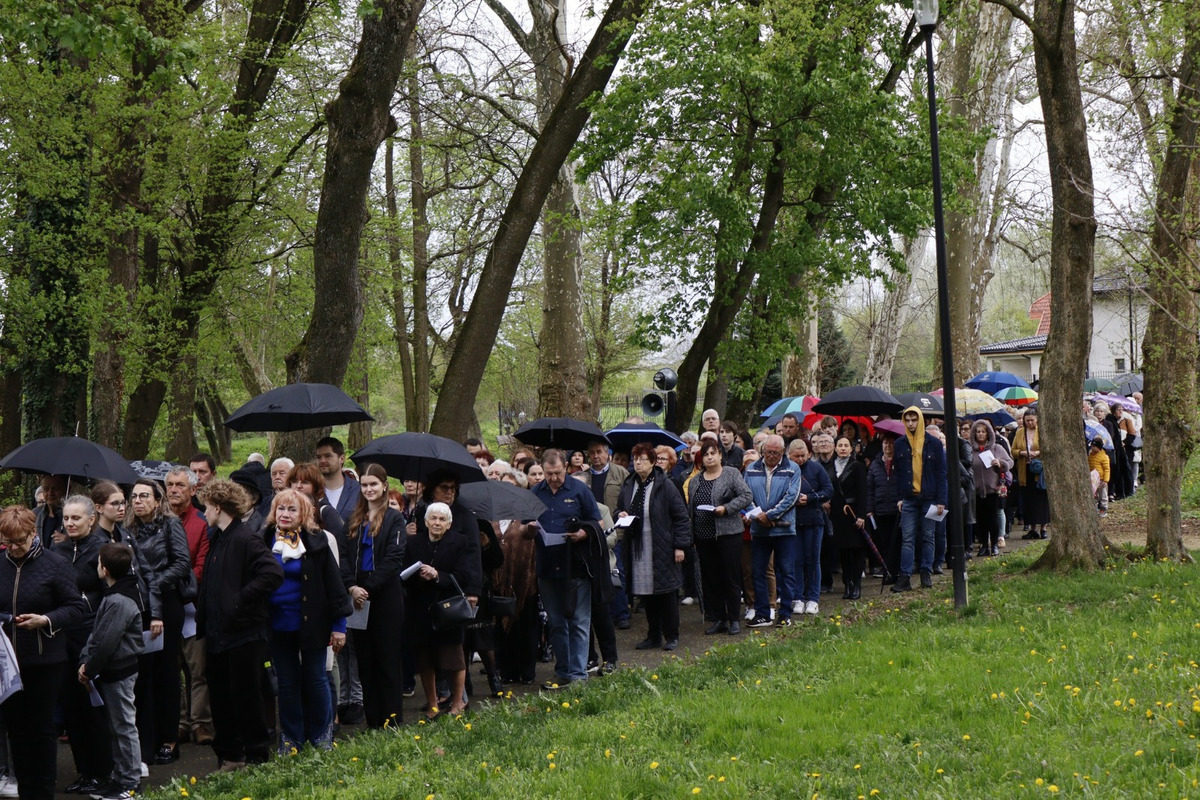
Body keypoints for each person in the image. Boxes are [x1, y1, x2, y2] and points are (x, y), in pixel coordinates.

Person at [195, 479, 282, 770]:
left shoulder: (245, 538)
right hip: (219, 633)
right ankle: (231, 756)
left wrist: (238, 600)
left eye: (206, 507)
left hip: (244, 634)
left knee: (245, 697)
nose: (203, 512)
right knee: (221, 698)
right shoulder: (218, 538)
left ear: (218, 507)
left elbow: (272, 573)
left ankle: (256, 755)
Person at [0, 505, 85, 800]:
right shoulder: (1, 564)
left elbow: (76, 608)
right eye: (8, 542)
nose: (14, 548)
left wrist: (45, 620)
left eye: (20, 541)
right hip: (7, 663)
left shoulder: (55, 564)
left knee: (41, 728)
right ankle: (25, 788)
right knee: (16, 729)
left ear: (33, 533)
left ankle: (42, 792)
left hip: (44, 661)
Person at [263, 489, 350, 753]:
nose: (285, 514)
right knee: (287, 683)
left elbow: (335, 588)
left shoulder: (317, 541)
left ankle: (322, 736)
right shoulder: (264, 539)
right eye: (281, 509)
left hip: (313, 624)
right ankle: (291, 739)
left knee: (316, 678)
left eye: (292, 509)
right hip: (277, 626)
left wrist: (339, 628)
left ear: (304, 514)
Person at [126, 480, 191, 766]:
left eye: (144, 496)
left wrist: (150, 585)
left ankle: (169, 739)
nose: (138, 501)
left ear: (157, 500)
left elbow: (181, 563)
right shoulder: (128, 529)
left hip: (167, 604)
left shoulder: (170, 524)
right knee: (143, 674)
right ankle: (146, 739)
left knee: (166, 671)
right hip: (139, 608)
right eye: (134, 497)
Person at [526, 450, 603, 688]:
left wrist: (582, 533)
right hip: (547, 566)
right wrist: (529, 529)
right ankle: (563, 671)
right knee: (556, 622)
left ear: (565, 467)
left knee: (579, 620)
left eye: (557, 473)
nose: (553, 478)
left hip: (576, 564)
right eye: (548, 474)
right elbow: (522, 529)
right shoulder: (535, 493)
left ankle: (579, 676)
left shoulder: (579, 490)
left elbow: (598, 522)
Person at [53, 496, 114, 795]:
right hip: (63, 633)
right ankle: (85, 770)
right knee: (72, 706)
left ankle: (103, 769)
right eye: (66, 518)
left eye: (76, 518)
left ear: (92, 519)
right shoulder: (58, 549)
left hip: (92, 633)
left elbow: (111, 593)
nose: (70, 523)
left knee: (94, 705)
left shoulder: (103, 548)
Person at [78, 543, 145, 800]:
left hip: (120, 671)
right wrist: (88, 661)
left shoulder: (119, 600)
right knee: (117, 726)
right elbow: (98, 636)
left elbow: (106, 640)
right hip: (110, 671)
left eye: (97, 563)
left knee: (124, 726)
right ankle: (119, 778)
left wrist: (89, 667)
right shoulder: (116, 594)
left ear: (104, 569)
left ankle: (130, 783)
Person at [342, 463, 407, 728]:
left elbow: (394, 559)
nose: (369, 489)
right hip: (358, 598)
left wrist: (369, 587)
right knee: (365, 663)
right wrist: (351, 587)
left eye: (373, 484)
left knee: (387, 661)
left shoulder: (395, 519)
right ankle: (373, 720)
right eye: (365, 485)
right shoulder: (354, 518)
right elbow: (344, 558)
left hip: (385, 597)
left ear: (384, 486)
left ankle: (392, 722)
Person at [403, 503, 480, 719]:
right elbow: (403, 573)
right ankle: (433, 704)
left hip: (448, 609)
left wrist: (437, 575)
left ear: (449, 523)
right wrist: (419, 575)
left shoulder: (460, 542)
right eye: (433, 518)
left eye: (442, 519)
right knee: (425, 659)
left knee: (454, 659)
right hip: (420, 607)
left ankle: (458, 702)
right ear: (426, 521)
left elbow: (464, 575)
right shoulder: (413, 542)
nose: (437, 523)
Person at [616, 444, 691, 651]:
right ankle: (654, 635)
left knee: (666, 594)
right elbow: (619, 509)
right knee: (646, 593)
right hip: (638, 548)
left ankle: (672, 635)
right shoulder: (630, 484)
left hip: (663, 546)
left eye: (642, 459)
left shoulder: (665, 485)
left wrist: (680, 546)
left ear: (652, 461)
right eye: (635, 459)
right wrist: (620, 515)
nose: (637, 463)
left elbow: (681, 517)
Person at [164, 466, 212, 748]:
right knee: (172, 669)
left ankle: (201, 723)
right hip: (167, 607)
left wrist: (175, 582)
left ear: (193, 490)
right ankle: (178, 722)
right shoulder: (158, 521)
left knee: (198, 670)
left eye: (180, 485)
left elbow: (202, 565)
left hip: (193, 605)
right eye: (170, 485)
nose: (173, 490)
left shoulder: (202, 523)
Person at [686, 440, 752, 635]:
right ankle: (719, 618)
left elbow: (746, 495)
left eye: (713, 453)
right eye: (706, 454)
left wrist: (727, 508)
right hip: (703, 536)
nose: (709, 457)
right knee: (711, 579)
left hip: (728, 533)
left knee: (730, 577)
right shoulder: (696, 480)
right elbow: (691, 509)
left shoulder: (731, 474)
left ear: (721, 455)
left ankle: (733, 619)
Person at [744, 435, 801, 627]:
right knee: (757, 572)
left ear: (782, 452)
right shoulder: (751, 469)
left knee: (786, 572)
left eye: (776, 453)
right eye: (768, 452)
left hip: (784, 529)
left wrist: (770, 515)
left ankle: (785, 614)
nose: (772, 456)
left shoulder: (792, 469)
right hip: (759, 530)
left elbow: (791, 498)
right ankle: (762, 613)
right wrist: (758, 515)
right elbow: (746, 496)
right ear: (762, 451)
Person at [891, 406, 947, 593]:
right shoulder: (899, 443)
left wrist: (941, 500)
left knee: (928, 536)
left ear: (921, 420)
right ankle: (905, 576)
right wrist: (899, 497)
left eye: (914, 419)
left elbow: (941, 474)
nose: (911, 423)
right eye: (907, 420)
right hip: (909, 498)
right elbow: (898, 473)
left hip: (930, 498)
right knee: (907, 538)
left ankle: (926, 572)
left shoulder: (934, 444)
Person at [788, 439, 833, 614]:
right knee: (797, 561)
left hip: (814, 520)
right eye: (796, 456)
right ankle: (798, 597)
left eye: (803, 455)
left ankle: (813, 598)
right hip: (793, 521)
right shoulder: (787, 470)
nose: (800, 459)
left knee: (813, 560)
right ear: (790, 455)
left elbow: (829, 490)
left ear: (808, 453)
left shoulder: (816, 468)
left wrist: (811, 498)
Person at [829, 437, 869, 599]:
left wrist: (861, 515)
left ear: (851, 449)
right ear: (835, 448)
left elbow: (863, 492)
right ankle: (848, 584)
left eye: (846, 445)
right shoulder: (831, 467)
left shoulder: (857, 466)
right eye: (840, 445)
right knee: (843, 551)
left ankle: (857, 583)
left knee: (857, 549)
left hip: (854, 512)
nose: (843, 448)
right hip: (838, 514)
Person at [970, 420, 1014, 556]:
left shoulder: (997, 448)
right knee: (980, 520)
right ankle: (984, 544)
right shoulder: (970, 450)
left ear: (988, 433)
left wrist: (1000, 463)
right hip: (976, 490)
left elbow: (1010, 462)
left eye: (983, 431)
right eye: (978, 432)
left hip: (992, 489)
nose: (980, 434)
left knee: (993, 519)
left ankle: (994, 543)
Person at [866, 434, 903, 582]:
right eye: (885, 443)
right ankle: (887, 570)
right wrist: (869, 509)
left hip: (896, 509)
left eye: (891, 444)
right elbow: (869, 488)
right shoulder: (875, 464)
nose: (888, 446)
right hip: (880, 509)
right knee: (883, 542)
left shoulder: (900, 462)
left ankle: (895, 571)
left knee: (896, 542)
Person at [1012, 408, 1049, 540]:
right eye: (1027, 420)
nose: (1029, 423)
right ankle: (1033, 529)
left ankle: (1043, 528)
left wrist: (1037, 453)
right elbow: (1014, 450)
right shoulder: (1020, 432)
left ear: (1037, 419)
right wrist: (1022, 453)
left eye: (1032, 420)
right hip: (1025, 469)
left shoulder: (1043, 431)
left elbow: (1048, 447)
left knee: (1042, 498)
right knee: (1029, 499)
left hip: (1040, 469)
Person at [315, 437, 361, 522]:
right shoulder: (313, 491)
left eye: (328, 456)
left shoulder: (358, 490)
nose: (322, 460)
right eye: (319, 457)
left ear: (342, 459)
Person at [1088, 437, 1111, 516]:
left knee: (1103, 495)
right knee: (1095, 495)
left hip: (1101, 479)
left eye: (1094, 446)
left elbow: (1107, 469)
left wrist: (1105, 480)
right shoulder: (1090, 455)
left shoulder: (1104, 457)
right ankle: (1095, 508)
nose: (1092, 448)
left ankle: (1103, 509)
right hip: (1093, 479)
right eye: (1092, 446)